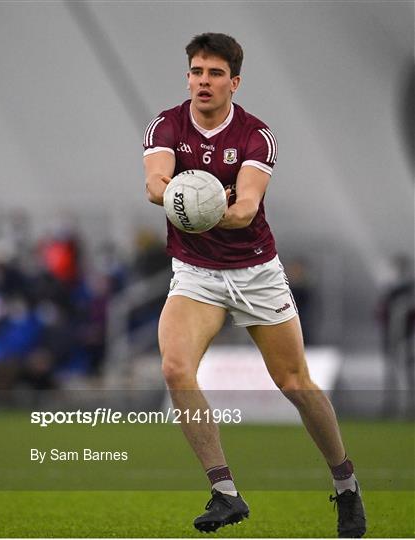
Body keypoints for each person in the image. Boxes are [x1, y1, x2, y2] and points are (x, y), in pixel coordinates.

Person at [143, 32, 366, 538]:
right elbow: (155, 185)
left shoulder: (255, 135)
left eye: (215, 73)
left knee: (296, 384)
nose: (204, 81)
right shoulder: (166, 124)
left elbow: (244, 211)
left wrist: (203, 207)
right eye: (197, 72)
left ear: (234, 82)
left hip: (255, 273)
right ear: (188, 76)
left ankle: (347, 485)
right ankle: (225, 493)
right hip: (195, 274)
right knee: (176, 369)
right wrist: (178, 194)